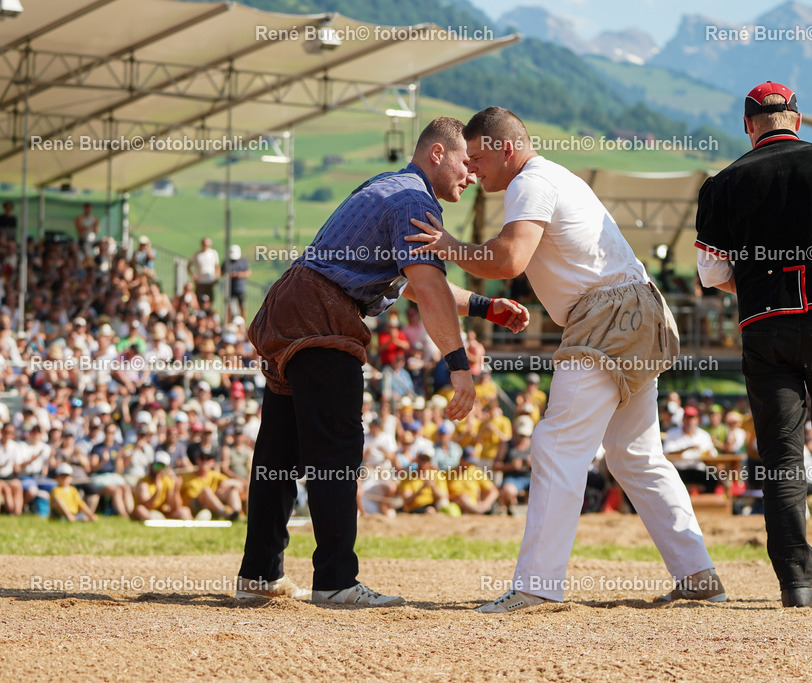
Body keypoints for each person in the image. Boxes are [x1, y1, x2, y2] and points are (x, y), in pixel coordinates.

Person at [408, 107, 724, 612]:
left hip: (608, 316)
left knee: (557, 444)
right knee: (634, 454)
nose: (471, 170)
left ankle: (537, 585)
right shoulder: (550, 176)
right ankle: (698, 575)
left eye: (478, 157)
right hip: (635, 308)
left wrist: (449, 246)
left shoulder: (530, 182)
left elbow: (508, 259)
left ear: (505, 148)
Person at [236, 117, 529, 608]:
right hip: (322, 314)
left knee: (279, 453)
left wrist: (484, 306)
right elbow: (429, 288)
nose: (473, 173)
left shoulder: (390, 187)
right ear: (436, 154)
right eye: (465, 161)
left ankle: (261, 575)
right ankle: (334, 581)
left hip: (294, 305)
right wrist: (459, 365)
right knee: (336, 451)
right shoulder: (415, 201)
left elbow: (410, 283)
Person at [694, 81, 812, 607]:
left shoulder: (723, 184)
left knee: (780, 457)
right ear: (796, 119)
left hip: (765, 327)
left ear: (749, 125)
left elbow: (711, 275)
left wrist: (755, 286)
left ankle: (797, 584)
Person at [188, 237, 221, 303]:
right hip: (200, 282)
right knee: (199, 299)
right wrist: (193, 276)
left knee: (210, 300)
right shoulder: (197, 254)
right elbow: (189, 266)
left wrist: (216, 277)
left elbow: (217, 267)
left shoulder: (213, 253)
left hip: (210, 281)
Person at [226, 244, 251, 319]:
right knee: (229, 307)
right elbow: (221, 272)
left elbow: (248, 272)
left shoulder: (243, 261)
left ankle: (244, 323)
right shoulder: (227, 262)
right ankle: (229, 321)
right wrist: (229, 275)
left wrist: (238, 275)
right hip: (229, 289)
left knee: (242, 307)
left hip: (240, 288)